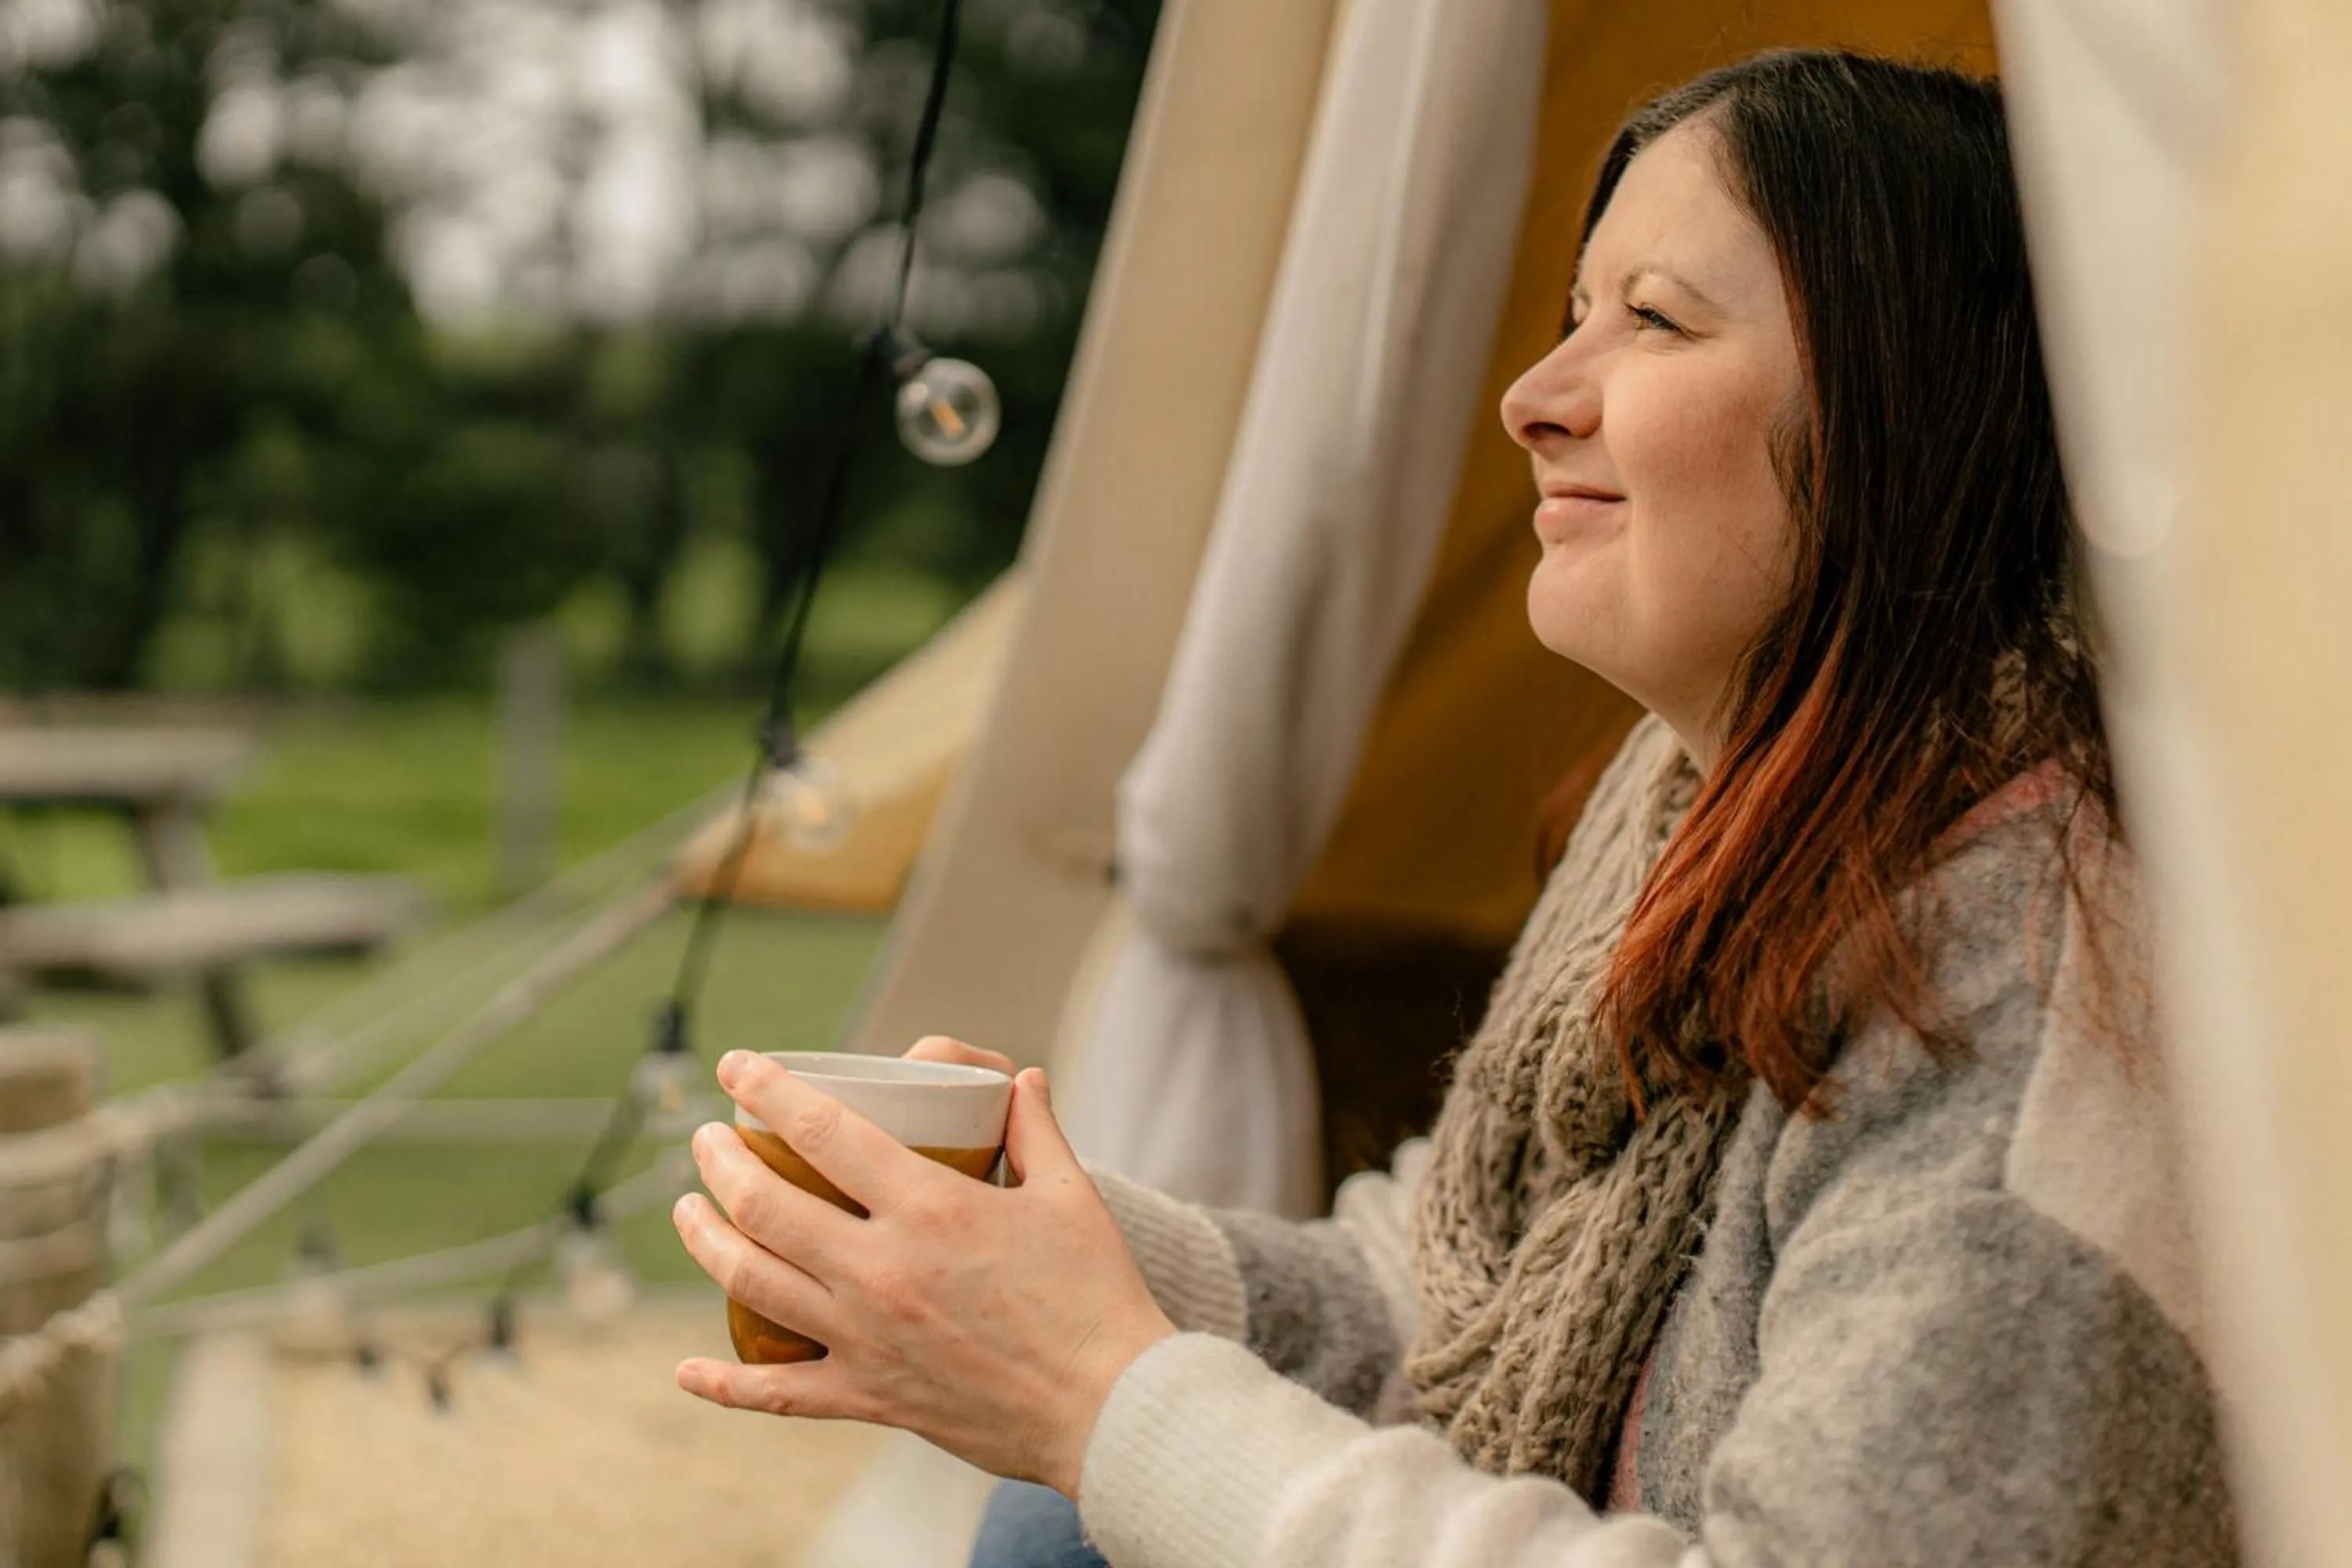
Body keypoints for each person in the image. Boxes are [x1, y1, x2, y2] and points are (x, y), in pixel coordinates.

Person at [668, 47, 2238, 1568]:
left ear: (1917, 409)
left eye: (1656, 323)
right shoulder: (1700, 809)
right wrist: (1038, 1253)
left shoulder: (2040, 978)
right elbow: (1443, 1284)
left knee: (1090, 1500)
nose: (1537, 399)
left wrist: (1103, 1394)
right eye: (1573, 318)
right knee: (1066, 1517)